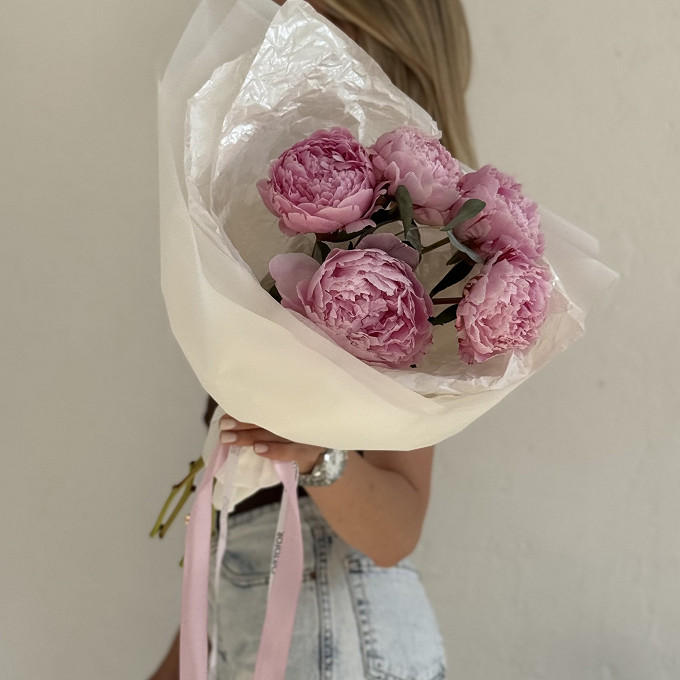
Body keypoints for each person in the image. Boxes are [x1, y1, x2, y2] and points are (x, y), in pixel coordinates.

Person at [148, 1, 476, 678]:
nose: (282, 48)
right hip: (268, 611)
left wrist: (319, 455)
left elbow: (396, 530)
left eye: (316, 29)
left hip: (333, 621)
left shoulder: (413, 253)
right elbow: (246, 515)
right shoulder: (290, 240)